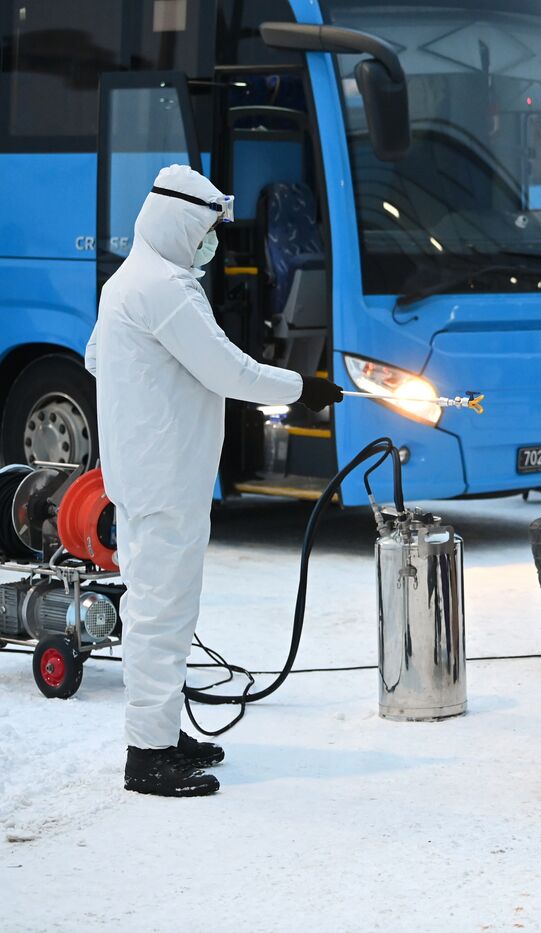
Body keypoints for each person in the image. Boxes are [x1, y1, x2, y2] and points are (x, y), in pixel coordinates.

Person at [84, 165, 343, 798]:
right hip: (162, 478)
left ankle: (163, 735)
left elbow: (97, 358)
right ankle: (147, 757)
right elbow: (230, 371)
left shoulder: (132, 280)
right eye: (207, 229)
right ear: (179, 222)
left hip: (156, 473)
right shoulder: (164, 287)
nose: (213, 242)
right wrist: (301, 388)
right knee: (158, 615)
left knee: (166, 610)